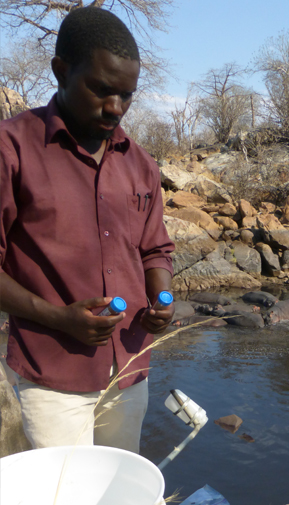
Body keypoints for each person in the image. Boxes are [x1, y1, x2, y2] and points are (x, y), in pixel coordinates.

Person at [0, 7, 175, 453]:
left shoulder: (140, 163)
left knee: (119, 488)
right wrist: (59, 318)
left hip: (130, 370)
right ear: (61, 70)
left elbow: (155, 249)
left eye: (127, 95)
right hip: (54, 380)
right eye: (101, 90)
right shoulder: (12, 148)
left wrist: (162, 298)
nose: (115, 108)